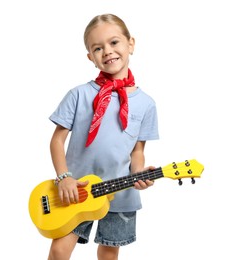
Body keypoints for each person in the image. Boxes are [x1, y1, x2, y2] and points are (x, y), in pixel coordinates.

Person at [48, 13, 159, 260]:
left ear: (131, 43)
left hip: (120, 194)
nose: (107, 51)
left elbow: (137, 151)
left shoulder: (146, 104)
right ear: (91, 57)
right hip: (76, 192)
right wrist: (64, 178)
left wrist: (139, 174)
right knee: (59, 250)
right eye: (98, 48)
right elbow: (57, 140)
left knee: (109, 254)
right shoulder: (79, 95)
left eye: (114, 42)